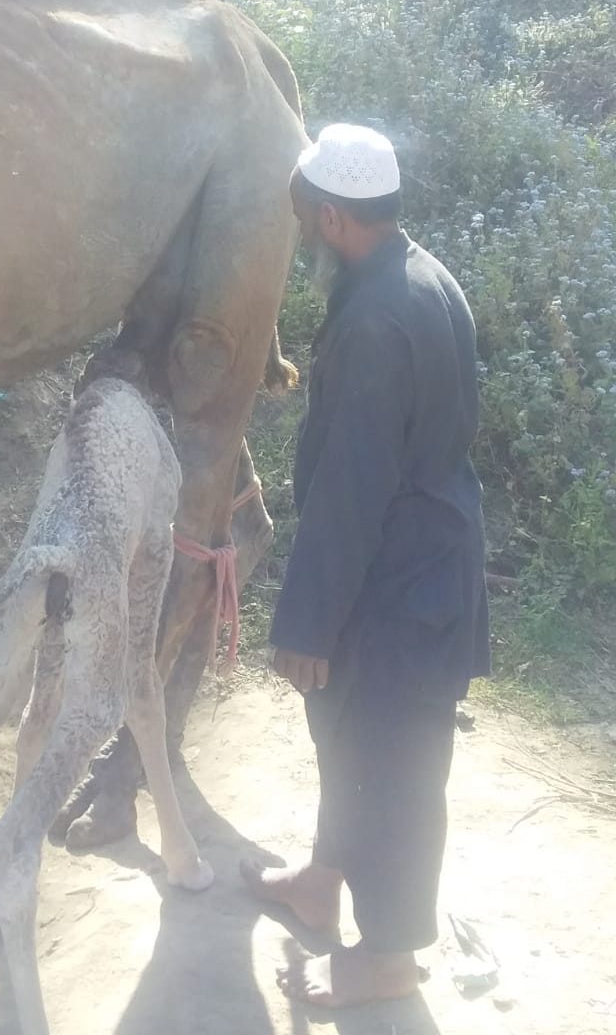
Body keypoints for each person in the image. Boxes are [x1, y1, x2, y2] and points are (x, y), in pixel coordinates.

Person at [242, 123, 490, 1008]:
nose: (305, 230)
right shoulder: (417, 275)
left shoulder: (379, 318)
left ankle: (388, 956)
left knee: (394, 770)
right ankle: (324, 879)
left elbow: (351, 488)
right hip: (403, 570)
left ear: (340, 217)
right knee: (345, 736)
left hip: (400, 587)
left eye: (309, 216)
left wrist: (307, 624)